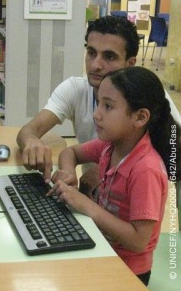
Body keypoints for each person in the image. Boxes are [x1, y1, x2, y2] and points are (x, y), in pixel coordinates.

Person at [48, 66, 181, 286]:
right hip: (102, 250)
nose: (96, 114)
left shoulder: (145, 169)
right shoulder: (110, 146)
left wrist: (87, 206)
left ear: (140, 117)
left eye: (108, 106)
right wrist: (69, 172)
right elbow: (69, 152)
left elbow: (139, 241)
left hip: (128, 272)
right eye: (98, 102)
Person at [16, 16, 181, 191]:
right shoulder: (75, 89)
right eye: (91, 53)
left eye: (109, 56)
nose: (95, 65)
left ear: (130, 63)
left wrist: (108, 169)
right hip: (99, 198)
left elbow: (174, 149)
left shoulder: (147, 94)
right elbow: (29, 130)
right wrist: (32, 142)